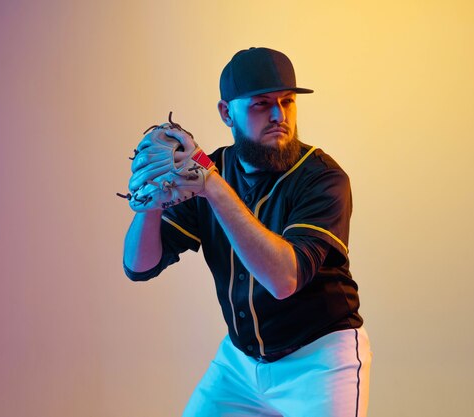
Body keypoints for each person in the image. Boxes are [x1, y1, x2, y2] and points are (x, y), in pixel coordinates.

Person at [122, 47, 372, 417]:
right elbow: (139, 267)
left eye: (287, 102)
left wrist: (212, 184)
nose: (278, 115)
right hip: (239, 364)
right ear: (227, 112)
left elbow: (284, 279)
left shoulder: (322, 178)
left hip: (320, 363)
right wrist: (149, 208)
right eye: (261, 104)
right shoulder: (211, 169)